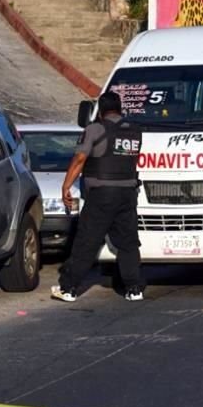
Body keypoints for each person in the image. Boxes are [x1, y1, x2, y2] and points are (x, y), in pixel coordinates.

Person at [52, 91, 145, 302]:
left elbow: (80, 158)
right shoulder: (135, 131)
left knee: (87, 242)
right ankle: (134, 289)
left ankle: (69, 288)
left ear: (101, 111)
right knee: (128, 243)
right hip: (128, 194)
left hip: (102, 195)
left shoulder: (95, 129)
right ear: (120, 108)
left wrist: (66, 185)